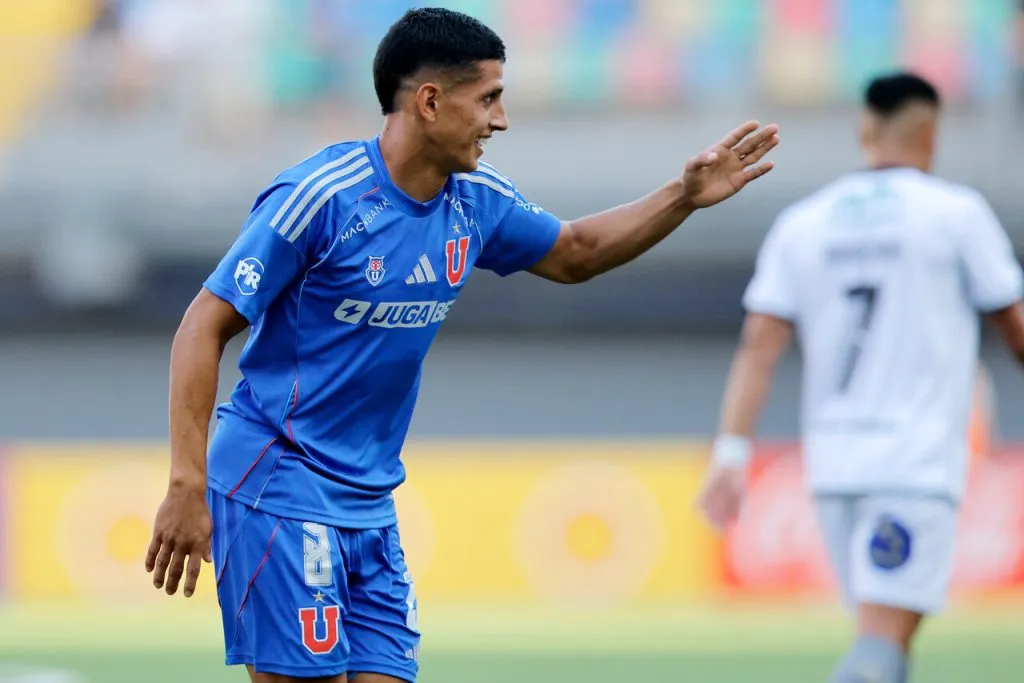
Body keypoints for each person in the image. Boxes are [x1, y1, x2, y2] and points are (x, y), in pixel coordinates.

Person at [144, 7, 779, 683]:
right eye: (488, 99)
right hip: (278, 481)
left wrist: (682, 196)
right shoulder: (321, 197)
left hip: (369, 502)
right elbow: (202, 325)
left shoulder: (475, 200)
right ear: (429, 101)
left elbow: (576, 252)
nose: (499, 121)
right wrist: (186, 482)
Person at [697, 71, 1024, 683]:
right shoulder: (956, 214)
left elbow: (759, 347)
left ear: (864, 131)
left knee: (885, 645)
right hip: (913, 464)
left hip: (834, 467)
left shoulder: (805, 222)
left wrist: (732, 453)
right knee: (879, 647)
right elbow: (1016, 331)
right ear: (931, 133)